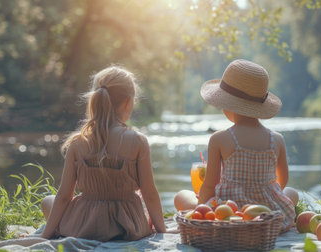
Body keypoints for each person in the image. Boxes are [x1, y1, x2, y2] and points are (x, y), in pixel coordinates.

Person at [41, 66, 166, 241]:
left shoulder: (78, 142)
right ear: (128, 103)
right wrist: (162, 232)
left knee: (49, 200)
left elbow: (63, 196)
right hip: (128, 227)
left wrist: (45, 236)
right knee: (141, 204)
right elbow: (150, 194)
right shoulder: (138, 141)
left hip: (85, 226)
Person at [175, 59, 298, 232]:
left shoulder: (220, 139)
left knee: (181, 197)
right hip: (265, 214)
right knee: (292, 193)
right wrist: (263, 195)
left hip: (229, 212)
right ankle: (271, 216)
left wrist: (201, 207)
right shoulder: (277, 140)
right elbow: (282, 181)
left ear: (226, 105)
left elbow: (210, 185)